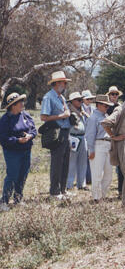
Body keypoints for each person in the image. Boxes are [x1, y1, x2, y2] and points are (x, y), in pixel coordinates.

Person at [0, 93, 36, 211]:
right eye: (20, 102)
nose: (23, 104)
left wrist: (30, 136)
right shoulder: (5, 120)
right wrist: (17, 140)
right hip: (12, 152)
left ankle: (18, 199)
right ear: (13, 105)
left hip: (26, 150)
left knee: (23, 175)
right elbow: (3, 139)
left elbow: (34, 130)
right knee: (12, 176)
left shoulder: (25, 115)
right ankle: (4, 201)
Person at [40, 71, 72, 200]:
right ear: (57, 83)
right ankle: (54, 192)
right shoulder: (48, 97)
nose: (65, 85)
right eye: (63, 82)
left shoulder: (61, 97)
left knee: (65, 162)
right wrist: (62, 116)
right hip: (56, 133)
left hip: (65, 132)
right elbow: (43, 117)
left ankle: (62, 190)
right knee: (57, 163)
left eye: (65, 83)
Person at [85, 95, 113, 202]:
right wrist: (91, 150)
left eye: (107, 105)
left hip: (108, 145)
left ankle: (103, 195)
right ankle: (96, 197)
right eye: (104, 105)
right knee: (97, 173)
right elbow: (90, 135)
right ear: (98, 105)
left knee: (108, 173)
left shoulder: (105, 116)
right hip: (98, 145)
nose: (106, 107)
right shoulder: (93, 118)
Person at [66, 92, 89, 192]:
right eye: (78, 100)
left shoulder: (82, 111)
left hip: (83, 137)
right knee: (72, 162)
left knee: (83, 161)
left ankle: (81, 183)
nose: (80, 102)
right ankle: (69, 184)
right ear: (72, 101)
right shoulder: (69, 111)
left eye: (81, 100)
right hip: (73, 137)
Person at [106, 85, 125, 196]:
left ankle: (121, 190)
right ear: (108, 95)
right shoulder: (105, 107)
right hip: (106, 137)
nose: (114, 96)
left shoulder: (120, 107)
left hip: (118, 137)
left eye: (116, 94)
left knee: (120, 164)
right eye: (112, 94)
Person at [81, 90, 95, 185]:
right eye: (87, 99)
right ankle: (85, 178)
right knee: (84, 158)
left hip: (92, 135)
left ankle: (91, 177)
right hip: (83, 134)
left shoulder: (93, 109)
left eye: (90, 99)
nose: (89, 100)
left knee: (92, 156)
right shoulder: (79, 109)